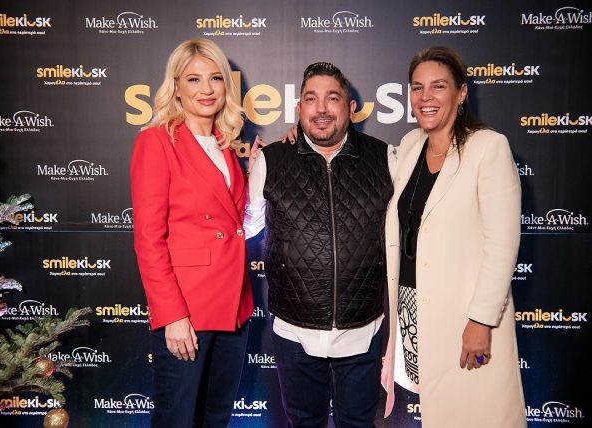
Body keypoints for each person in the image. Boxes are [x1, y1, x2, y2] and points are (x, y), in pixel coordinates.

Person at [381, 46, 526, 427]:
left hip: (465, 318)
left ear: (461, 93)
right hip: (414, 311)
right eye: (417, 88)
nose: (425, 97)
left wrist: (481, 321)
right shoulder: (410, 146)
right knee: (438, 413)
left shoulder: (488, 147)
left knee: (478, 414)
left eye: (438, 86)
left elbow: (502, 245)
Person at [245, 62, 393, 427]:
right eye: (311, 99)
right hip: (294, 333)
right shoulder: (270, 160)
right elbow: (246, 227)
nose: (321, 109)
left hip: (362, 331)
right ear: (299, 109)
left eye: (333, 98)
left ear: (350, 107)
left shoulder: (386, 158)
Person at [130, 38, 253, 428]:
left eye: (215, 78)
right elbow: (148, 239)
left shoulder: (226, 147)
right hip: (188, 310)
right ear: (176, 86)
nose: (207, 89)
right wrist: (172, 315)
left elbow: (234, 223)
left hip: (234, 309)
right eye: (194, 79)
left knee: (216, 419)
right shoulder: (156, 142)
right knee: (177, 420)